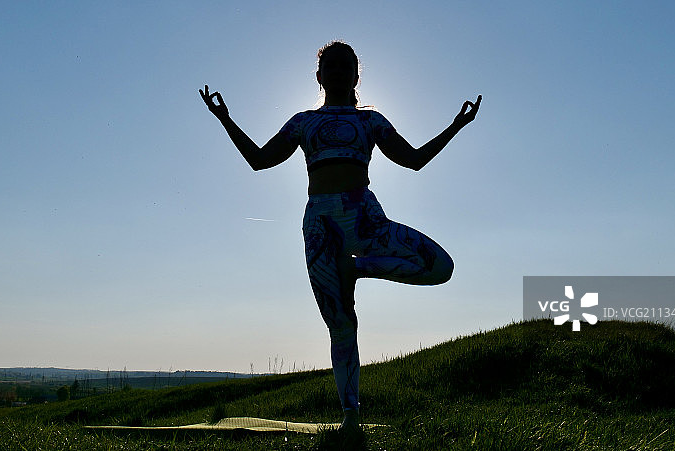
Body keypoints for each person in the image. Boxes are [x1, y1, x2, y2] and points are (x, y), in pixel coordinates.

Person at [200, 40, 481, 431]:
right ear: (319, 76)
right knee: (341, 324)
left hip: (365, 219)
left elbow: (414, 160)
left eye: (344, 66)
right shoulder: (303, 122)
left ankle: (358, 268)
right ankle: (351, 415)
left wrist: (456, 126)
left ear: (355, 76)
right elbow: (260, 161)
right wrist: (225, 119)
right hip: (320, 227)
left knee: (440, 267)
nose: (336, 72)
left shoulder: (371, 122)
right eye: (329, 66)